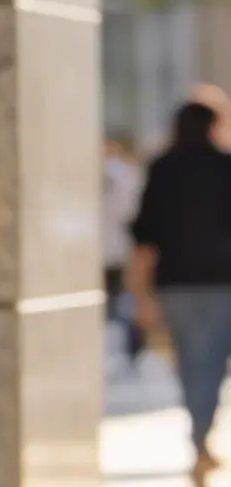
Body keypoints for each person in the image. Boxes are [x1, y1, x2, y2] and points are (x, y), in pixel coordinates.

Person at [124, 92, 231, 487]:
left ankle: (199, 438)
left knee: (190, 363)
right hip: (221, 283)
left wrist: (140, 295)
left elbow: (143, 236)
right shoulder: (225, 167)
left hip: (175, 284)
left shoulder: (163, 168)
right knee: (212, 364)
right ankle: (201, 437)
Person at [102, 133, 146, 365]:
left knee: (118, 301)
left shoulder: (121, 174)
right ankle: (132, 345)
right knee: (120, 301)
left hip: (112, 249)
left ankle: (131, 343)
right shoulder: (126, 174)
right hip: (117, 248)